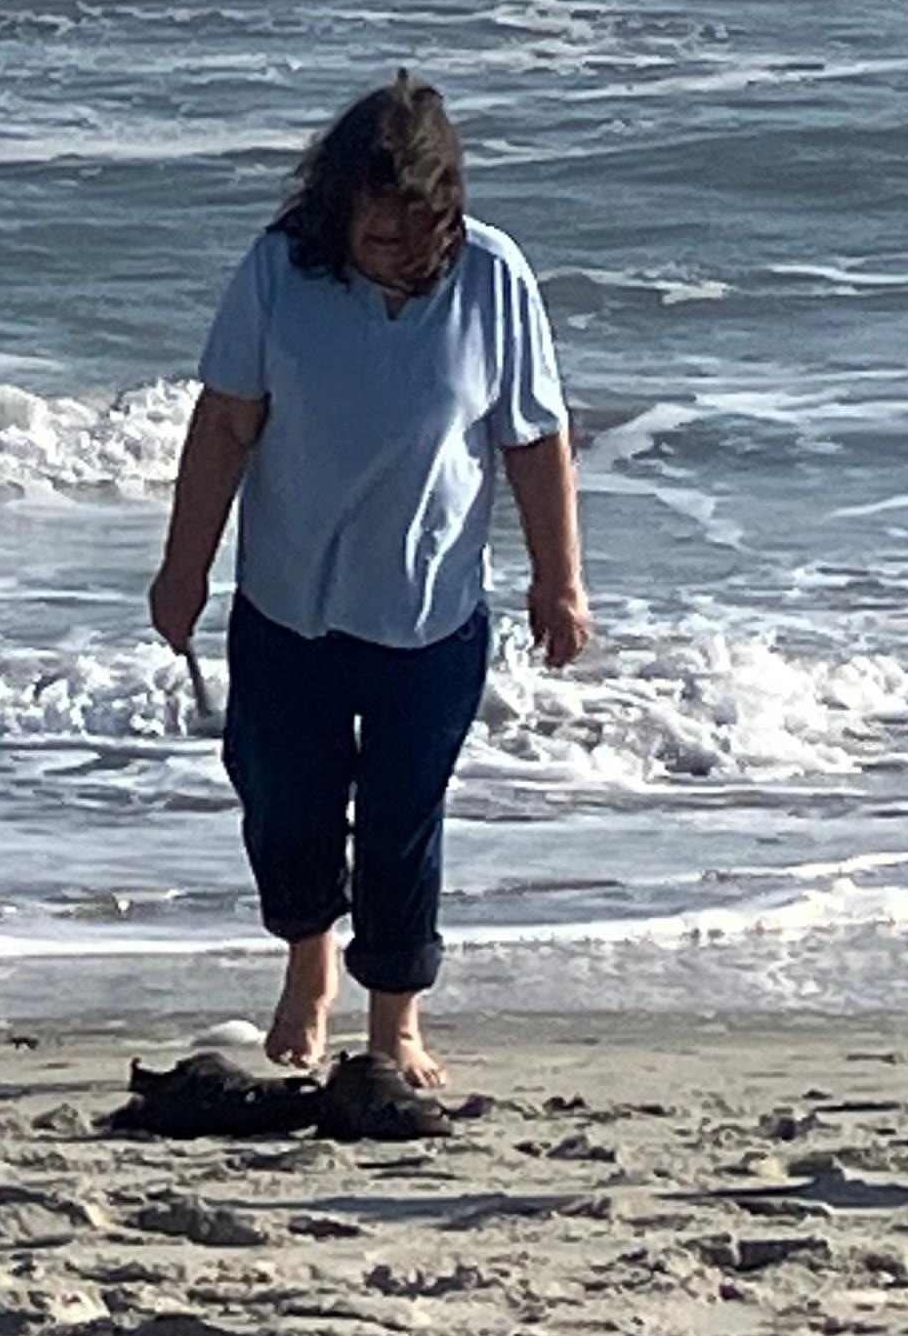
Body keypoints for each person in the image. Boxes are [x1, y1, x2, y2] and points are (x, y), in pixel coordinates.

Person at [147, 73, 589, 1086]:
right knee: (283, 805)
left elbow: (533, 437)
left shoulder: (493, 278)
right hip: (288, 604)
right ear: (336, 203)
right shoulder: (280, 272)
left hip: (429, 613)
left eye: (410, 224)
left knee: (402, 818)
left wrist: (559, 581)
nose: (388, 241)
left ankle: (395, 1018)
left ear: (446, 210)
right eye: (370, 222)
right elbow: (224, 424)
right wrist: (184, 570)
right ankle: (310, 967)